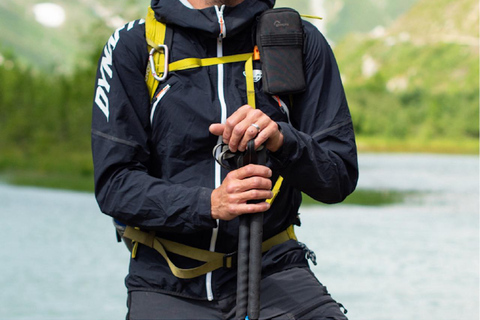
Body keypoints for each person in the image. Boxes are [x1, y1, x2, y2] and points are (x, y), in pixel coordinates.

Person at [91, 0, 358, 318]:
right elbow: (115, 185)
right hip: (167, 281)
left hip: (274, 267)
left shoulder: (297, 39)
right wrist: (210, 204)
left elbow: (338, 178)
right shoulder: (135, 44)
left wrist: (282, 140)